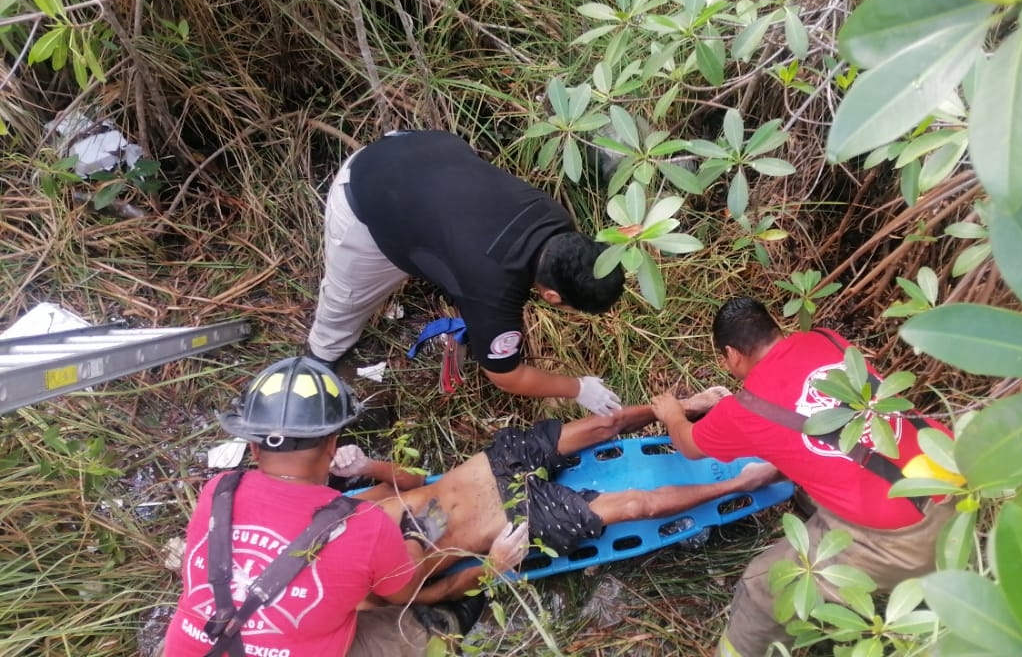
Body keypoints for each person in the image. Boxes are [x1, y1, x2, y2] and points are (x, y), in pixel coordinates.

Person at [650, 297, 956, 657]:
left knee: (763, 586)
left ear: (732, 355)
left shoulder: (745, 410)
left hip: (902, 540)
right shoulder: (824, 340)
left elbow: (687, 445)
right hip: (955, 478)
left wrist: (672, 414)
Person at [161, 357, 521, 657]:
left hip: (196, 647)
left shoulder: (219, 491)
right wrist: (487, 567)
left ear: (254, 448)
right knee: (416, 624)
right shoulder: (362, 523)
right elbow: (406, 594)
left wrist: (368, 469)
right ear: (332, 443)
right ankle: (446, 626)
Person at [331, 386, 783, 604]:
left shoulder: (349, 513)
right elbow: (450, 588)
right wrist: (496, 564)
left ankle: (688, 405)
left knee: (605, 424)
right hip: (513, 518)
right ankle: (743, 483)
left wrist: (368, 466)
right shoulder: (388, 589)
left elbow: (409, 481)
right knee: (634, 506)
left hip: (492, 467)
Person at [306, 129, 626, 415]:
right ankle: (319, 360)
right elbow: (506, 375)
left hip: (422, 146)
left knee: (442, 247)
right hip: (365, 191)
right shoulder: (491, 286)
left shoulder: (557, 219)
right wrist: (579, 389)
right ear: (552, 296)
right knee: (344, 299)